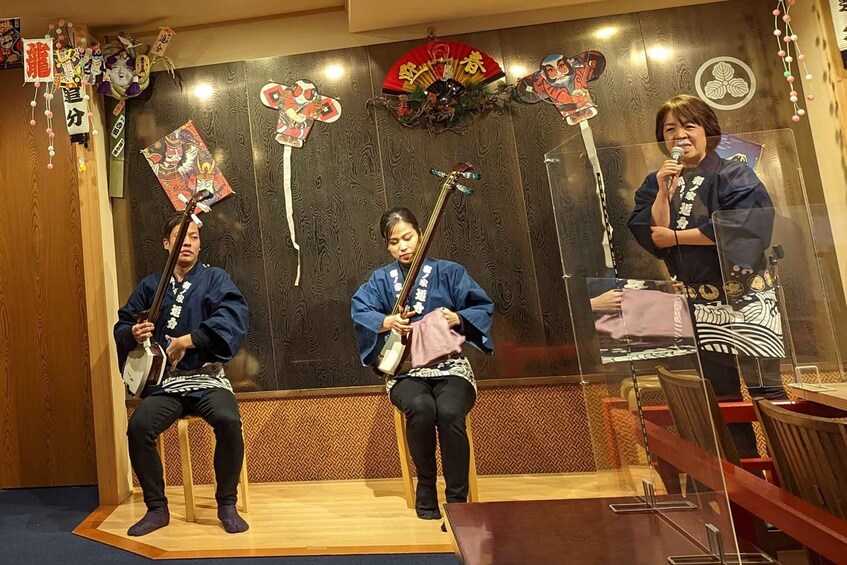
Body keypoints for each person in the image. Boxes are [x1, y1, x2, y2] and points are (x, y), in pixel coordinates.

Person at [627, 94, 786, 455]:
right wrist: (663, 195)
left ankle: (800, 481)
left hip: (746, 299)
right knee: (722, 398)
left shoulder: (733, 173)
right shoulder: (656, 181)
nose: (679, 135)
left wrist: (679, 237)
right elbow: (654, 234)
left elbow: (747, 226)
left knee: (768, 393)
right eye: (670, 129)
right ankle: (741, 491)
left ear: (707, 131)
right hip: (698, 305)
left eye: (688, 126)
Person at [351, 208, 494, 521]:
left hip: (451, 367)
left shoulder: (449, 272)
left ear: (420, 235)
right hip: (407, 371)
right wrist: (387, 321)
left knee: (450, 411)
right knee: (421, 408)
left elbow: (481, 306)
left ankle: (458, 501)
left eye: (407, 237)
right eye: (393, 242)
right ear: (387, 246)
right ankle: (426, 486)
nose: (402, 246)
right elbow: (360, 310)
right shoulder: (380, 280)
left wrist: (458, 318)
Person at [114, 214, 250, 536]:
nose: (186, 242)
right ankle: (157, 508)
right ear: (167, 244)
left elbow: (233, 316)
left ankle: (226, 503)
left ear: (200, 244)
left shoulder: (215, 279)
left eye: (192, 237)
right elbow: (121, 325)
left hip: (207, 378)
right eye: (179, 237)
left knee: (229, 421)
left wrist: (190, 340)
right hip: (166, 383)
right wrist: (133, 332)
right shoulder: (150, 285)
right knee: (139, 427)